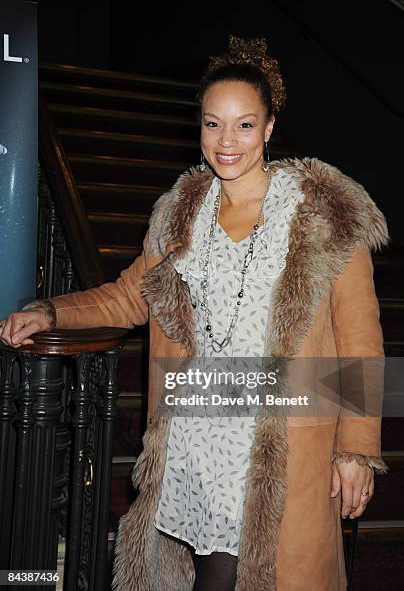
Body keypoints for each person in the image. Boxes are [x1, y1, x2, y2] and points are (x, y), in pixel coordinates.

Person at [0, 35, 390, 591]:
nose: (226, 141)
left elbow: (360, 339)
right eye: (212, 124)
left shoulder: (321, 214)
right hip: (197, 438)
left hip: (279, 443)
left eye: (244, 124)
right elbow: (127, 295)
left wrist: (355, 449)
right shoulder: (181, 214)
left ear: (271, 126)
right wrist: (50, 313)